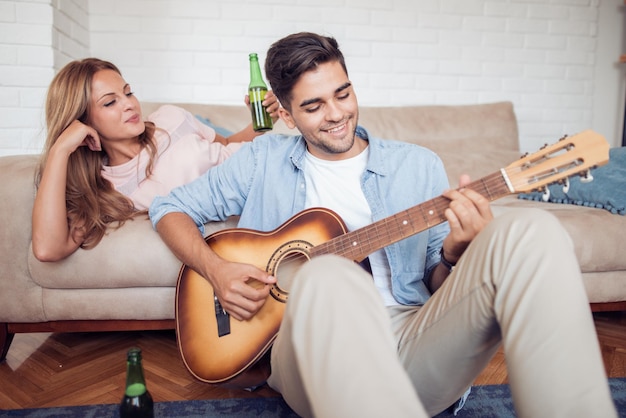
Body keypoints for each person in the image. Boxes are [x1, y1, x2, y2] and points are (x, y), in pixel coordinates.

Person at [149, 32, 617, 417]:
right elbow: (167, 208)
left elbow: (438, 279)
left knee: (529, 233)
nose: (336, 115)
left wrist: (457, 252)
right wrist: (216, 270)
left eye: (343, 93)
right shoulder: (259, 160)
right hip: (309, 351)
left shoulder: (417, 165)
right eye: (313, 107)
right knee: (329, 274)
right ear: (286, 115)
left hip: (414, 340)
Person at [32, 58, 279, 262]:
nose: (129, 104)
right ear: (83, 121)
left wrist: (265, 121)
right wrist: (60, 150)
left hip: (269, 167)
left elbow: (227, 145)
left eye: (128, 92)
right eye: (110, 102)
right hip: (258, 197)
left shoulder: (170, 117)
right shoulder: (107, 187)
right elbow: (47, 250)